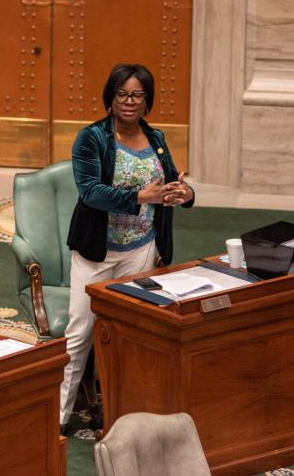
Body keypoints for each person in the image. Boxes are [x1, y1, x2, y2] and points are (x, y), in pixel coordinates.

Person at [60, 63, 194, 430]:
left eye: (137, 95)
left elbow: (169, 182)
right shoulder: (91, 138)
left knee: (130, 337)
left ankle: (121, 413)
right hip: (96, 254)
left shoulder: (157, 138)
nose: (129, 102)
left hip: (141, 250)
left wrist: (184, 193)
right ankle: (56, 417)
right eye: (122, 94)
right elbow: (90, 193)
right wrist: (140, 196)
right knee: (79, 334)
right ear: (110, 98)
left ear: (147, 99)